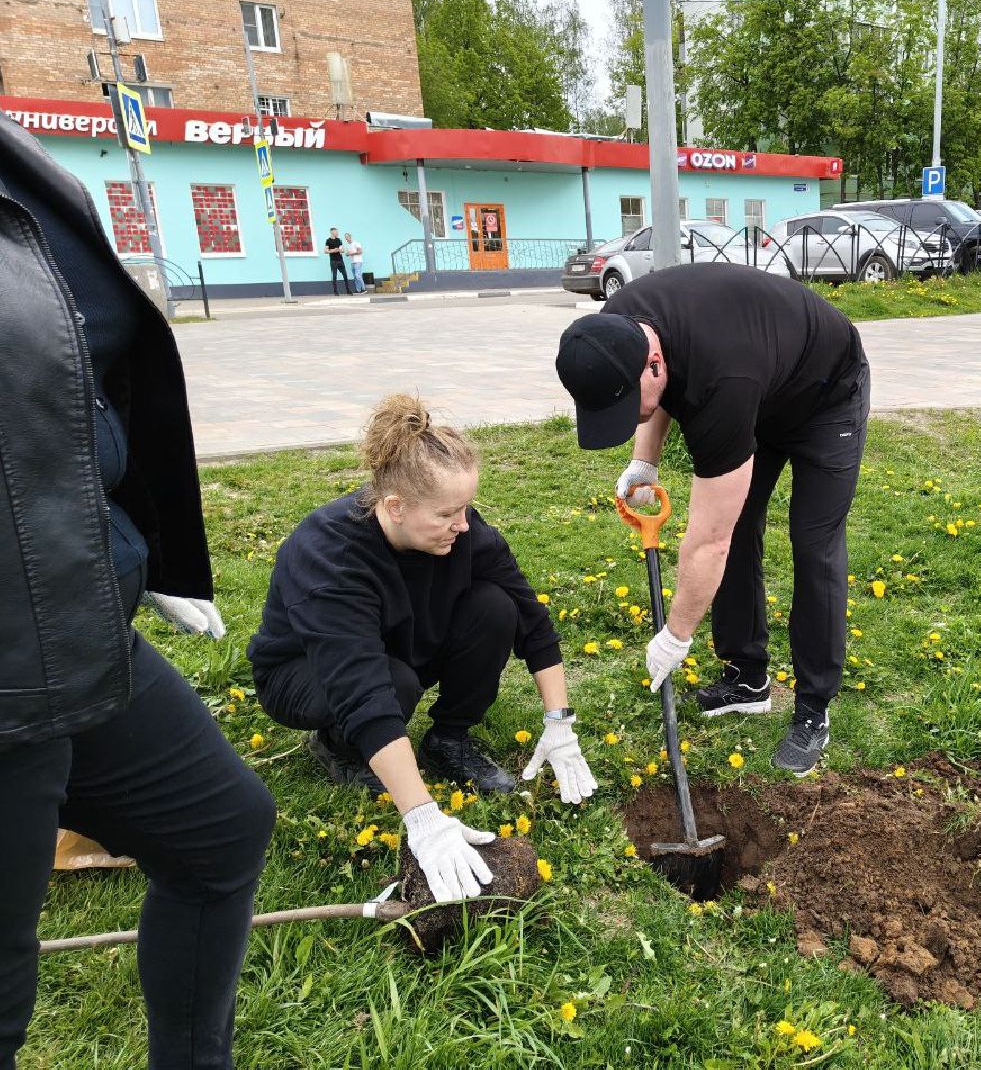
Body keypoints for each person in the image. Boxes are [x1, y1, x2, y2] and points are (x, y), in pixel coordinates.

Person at [0, 115, 275, 1068]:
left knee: (219, 831)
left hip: (77, 625)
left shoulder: (18, 164)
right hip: (3, 680)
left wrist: (124, 551)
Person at [247, 395, 596, 900]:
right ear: (395, 507)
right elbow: (360, 685)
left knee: (496, 607)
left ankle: (448, 739)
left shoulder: (464, 534)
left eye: (466, 509)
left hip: (400, 644)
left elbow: (532, 622)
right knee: (392, 685)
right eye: (448, 514)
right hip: (302, 674)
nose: (464, 525)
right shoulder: (329, 554)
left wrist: (559, 722)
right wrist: (422, 816)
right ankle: (338, 747)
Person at [554, 264, 869, 778]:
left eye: (628, 405)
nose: (628, 415)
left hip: (825, 393)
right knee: (740, 520)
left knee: (814, 543)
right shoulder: (612, 331)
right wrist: (645, 460)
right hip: (761, 385)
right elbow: (655, 397)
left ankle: (814, 707)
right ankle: (748, 678)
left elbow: (707, 543)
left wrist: (676, 634)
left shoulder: (722, 376)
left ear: (653, 362)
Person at [325, 227, 352, 296]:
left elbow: (342, 250)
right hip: (333, 261)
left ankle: (348, 290)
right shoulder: (328, 240)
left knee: (345, 275)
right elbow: (325, 251)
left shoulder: (339, 240)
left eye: (337, 232)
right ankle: (336, 292)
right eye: (336, 232)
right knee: (334, 276)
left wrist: (339, 250)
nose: (337, 233)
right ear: (332, 232)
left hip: (340, 260)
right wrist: (333, 250)